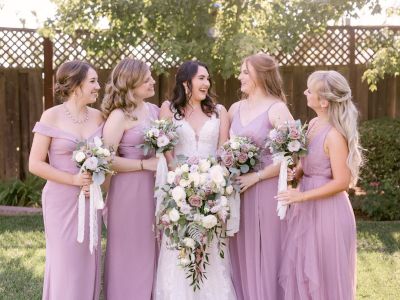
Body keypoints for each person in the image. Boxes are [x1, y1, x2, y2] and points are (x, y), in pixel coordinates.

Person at [154, 60, 236, 300]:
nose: (207, 83)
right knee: (180, 253)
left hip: (212, 193)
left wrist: (212, 188)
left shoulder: (219, 111)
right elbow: (166, 153)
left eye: (208, 79)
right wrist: (183, 187)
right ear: (185, 81)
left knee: (210, 253)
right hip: (178, 195)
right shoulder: (169, 110)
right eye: (201, 78)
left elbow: (223, 152)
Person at [277, 70, 361, 300]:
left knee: (324, 275)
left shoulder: (334, 135)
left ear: (323, 101)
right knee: (303, 269)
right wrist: (298, 171)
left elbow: (342, 181)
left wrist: (301, 197)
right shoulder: (313, 124)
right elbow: (312, 163)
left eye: (309, 90)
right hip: (306, 206)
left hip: (328, 213)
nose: (305, 92)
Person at [29, 60, 103, 300]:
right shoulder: (51, 116)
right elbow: (35, 164)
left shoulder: (99, 117)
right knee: (64, 263)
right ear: (75, 84)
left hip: (91, 199)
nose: (98, 87)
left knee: (87, 258)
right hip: (61, 201)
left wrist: (98, 182)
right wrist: (73, 179)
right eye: (92, 81)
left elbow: (108, 159)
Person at [229, 53, 293, 300]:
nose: (240, 77)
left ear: (260, 74)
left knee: (267, 254)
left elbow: (291, 157)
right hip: (238, 194)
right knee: (241, 253)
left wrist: (256, 178)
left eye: (245, 72)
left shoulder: (277, 108)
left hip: (267, 192)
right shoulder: (235, 108)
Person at [101, 58, 159, 300]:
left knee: (151, 246)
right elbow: (105, 160)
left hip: (154, 190)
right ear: (131, 83)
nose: (152, 81)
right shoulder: (118, 116)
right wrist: (144, 164)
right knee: (129, 249)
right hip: (128, 192)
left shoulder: (154, 111)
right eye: (146, 79)